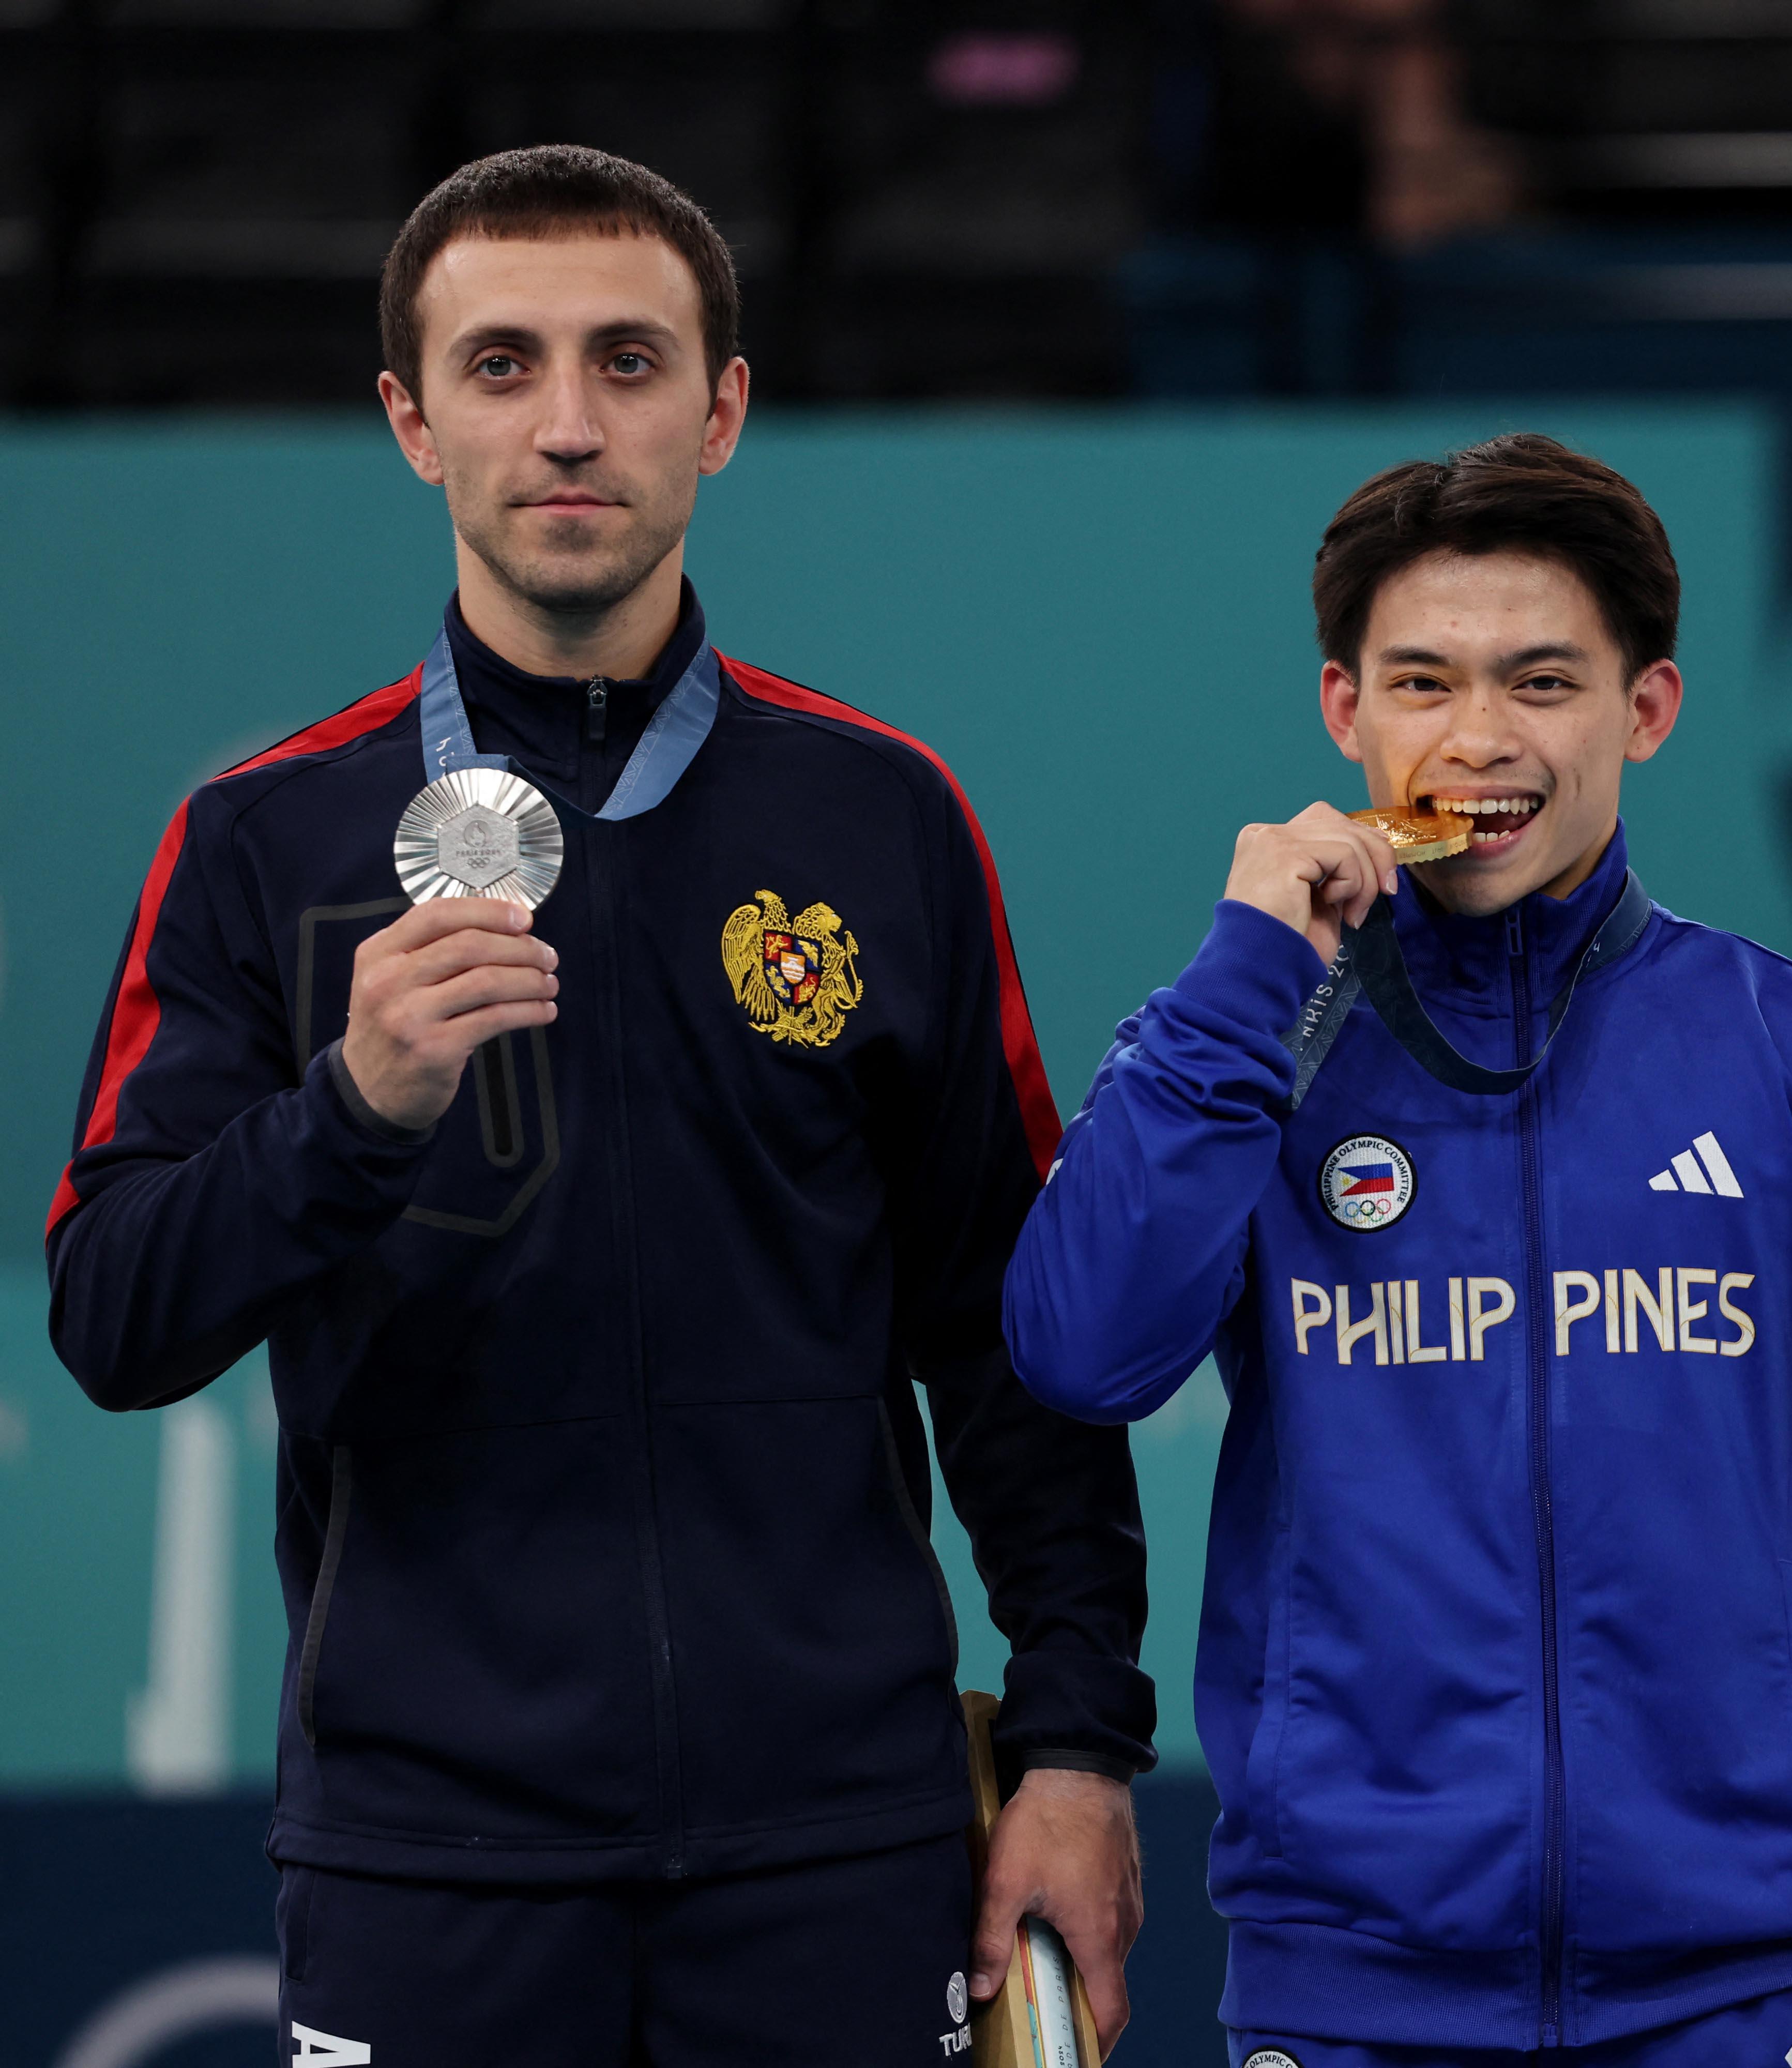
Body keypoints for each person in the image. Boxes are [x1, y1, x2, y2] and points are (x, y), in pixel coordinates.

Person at [47, 145, 1153, 2065]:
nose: (567, 425)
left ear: (722, 410)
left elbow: (1005, 1330)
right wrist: (352, 1114)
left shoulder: (880, 818)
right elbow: (114, 1314)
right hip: (428, 1861)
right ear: (409, 422)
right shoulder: (258, 839)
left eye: (629, 362)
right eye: (499, 367)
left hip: (833, 1850)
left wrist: (1072, 1746)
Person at [1003, 433, 1792, 2067]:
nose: (1478, 740)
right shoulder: (1243, 1048)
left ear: (1643, 712)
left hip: (1736, 1987)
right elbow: (1080, 1352)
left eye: (1542, 683)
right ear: (1343, 711)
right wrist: (1246, 974)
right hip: (1348, 1986)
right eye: (1424, 683)